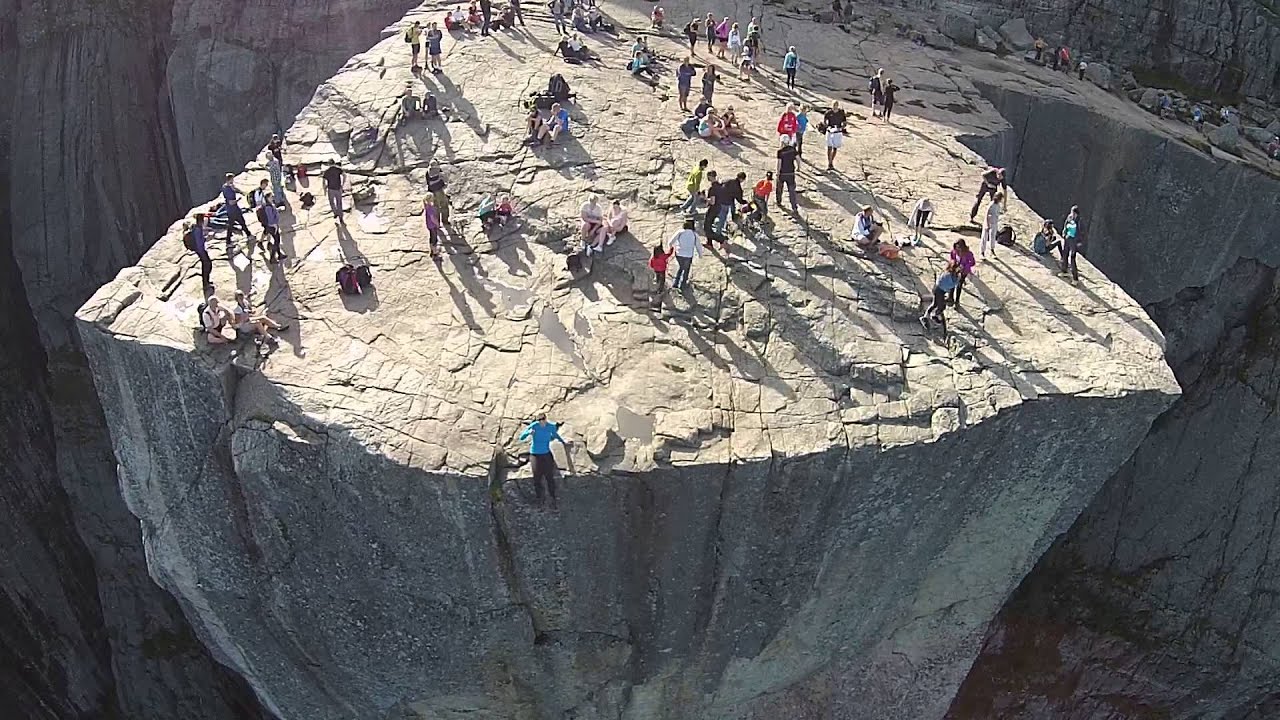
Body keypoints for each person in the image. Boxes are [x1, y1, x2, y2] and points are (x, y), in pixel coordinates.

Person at [518, 413, 567, 509]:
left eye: (542, 420)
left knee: (549, 476)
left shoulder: (550, 426)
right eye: (539, 421)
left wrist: (564, 442)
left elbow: (555, 435)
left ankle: (552, 498)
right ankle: (540, 499)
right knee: (537, 477)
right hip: (535, 454)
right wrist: (529, 433)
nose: (541, 422)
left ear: (545, 419)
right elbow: (521, 437)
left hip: (546, 453)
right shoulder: (534, 426)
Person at [920, 262, 960, 331]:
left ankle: (927, 316)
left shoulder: (952, 275)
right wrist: (957, 281)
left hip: (940, 290)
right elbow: (951, 285)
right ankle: (933, 316)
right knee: (940, 306)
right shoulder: (947, 275)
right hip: (939, 290)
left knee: (935, 304)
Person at [219, 174, 254, 250]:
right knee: (231, 225)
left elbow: (234, 189)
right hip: (232, 210)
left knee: (241, 221)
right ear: (230, 179)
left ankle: (248, 234)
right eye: (232, 179)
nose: (233, 180)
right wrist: (238, 200)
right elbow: (231, 202)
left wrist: (241, 191)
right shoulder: (226, 189)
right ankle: (228, 242)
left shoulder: (227, 186)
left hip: (235, 209)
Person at [670, 217, 701, 290]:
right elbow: (698, 245)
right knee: (686, 269)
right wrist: (700, 254)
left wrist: (671, 247)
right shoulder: (694, 234)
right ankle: (682, 284)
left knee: (681, 267)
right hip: (688, 255)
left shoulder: (680, 232)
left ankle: (675, 283)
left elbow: (671, 242)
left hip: (679, 254)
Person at [712, 171, 746, 238]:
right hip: (725, 203)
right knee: (723, 217)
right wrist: (745, 202)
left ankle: (717, 225)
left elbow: (720, 184)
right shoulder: (738, 188)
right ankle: (718, 233)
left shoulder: (728, 180)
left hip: (719, 199)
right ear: (741, 179)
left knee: (720, 214)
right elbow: (739, 199)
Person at [257, 193, 285, 264]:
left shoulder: (270, 205)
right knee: (277, 241)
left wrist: (278, 210)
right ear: (268, 198)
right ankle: (273, 258)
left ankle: (279, 254)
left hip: (272, 226)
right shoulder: (268, 207)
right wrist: (274, 225)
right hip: (272, 227)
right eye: (271, 197)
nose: (273, 197)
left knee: (277, 240)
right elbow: (270, 219)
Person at [188, 214, 213, 290]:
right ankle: (206, 284)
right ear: (201, 221)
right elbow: (199, 242)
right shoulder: (198, 229)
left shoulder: (196, 227)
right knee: (207, 265)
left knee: (205, 265)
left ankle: (206, 282)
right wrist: (206, 239)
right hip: (201, 251)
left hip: (200, 250)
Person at [948, 239, 975, 306]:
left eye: (959, 247)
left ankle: (957, 301)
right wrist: (953, 264)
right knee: (952, 282)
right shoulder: (954, 251)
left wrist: (965, 266)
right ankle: (950, 297)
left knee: (959, 285)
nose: (958, 249)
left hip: (964, 271)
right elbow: (952, 258)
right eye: (956, 247)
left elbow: (972, 263)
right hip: (955, 269)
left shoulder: (968, 253)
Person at [775, 136, 799, 211]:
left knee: (779, 188)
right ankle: (794, 206)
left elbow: (779, 163)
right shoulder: (793, 149)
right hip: (791, 173)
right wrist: (799, 167)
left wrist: (778, 173)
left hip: (782, 173)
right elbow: (798, 159)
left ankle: (779, 201)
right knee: (792, 191)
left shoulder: (780, 151)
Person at [1060, 205, 1082, 281]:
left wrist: (1079, 241)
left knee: (1072, 258)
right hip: (1068, 238)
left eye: (1074, 213)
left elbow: (1080, 231)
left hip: (1074, 241)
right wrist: (1064, 233)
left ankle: (1075, 278)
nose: (1072, 214)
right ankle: (1064, 271)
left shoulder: (1079, 221)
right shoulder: (1069, 217)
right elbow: (1065, 225)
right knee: (1064, 254)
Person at [823, 102, 847, 170]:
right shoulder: (828, 112)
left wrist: (842, 128)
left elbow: (844, 122)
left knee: (835, 147)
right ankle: (829, 163)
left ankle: (831, 161)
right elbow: (825, 120)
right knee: (829, 147)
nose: (835, 107)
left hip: (838, 131)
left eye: (836, 105)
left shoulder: (841, 113)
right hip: (830, 130)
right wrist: (827, 126)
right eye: (834, 105)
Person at [980, 192, 1004, 258]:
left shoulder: (998, 205)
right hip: (988, 222)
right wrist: (987, 224)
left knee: (993, 236)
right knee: (984, 237)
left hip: (994, 223)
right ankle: (982, 252)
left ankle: (992, 250)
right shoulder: (991, 204)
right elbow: (987, 214)